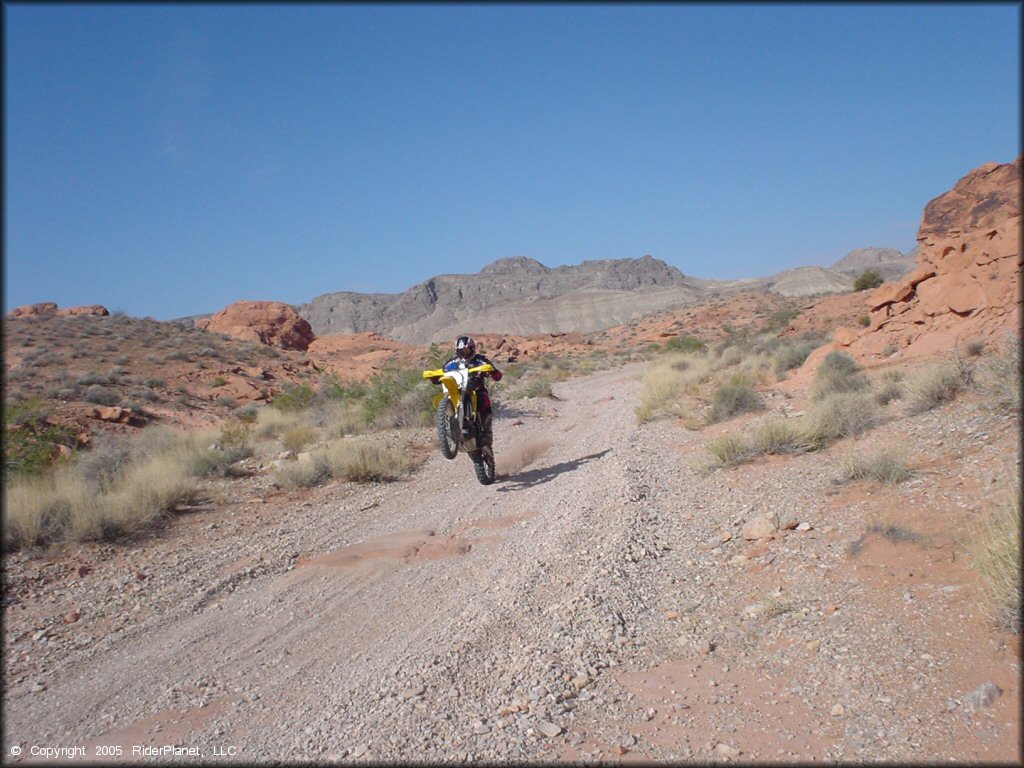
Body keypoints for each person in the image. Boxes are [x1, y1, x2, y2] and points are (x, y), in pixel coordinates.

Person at [438, 335, 502, 447]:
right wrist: (435, 377)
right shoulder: (451, 363)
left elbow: (497, 375)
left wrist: (490, 371)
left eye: (466, 350)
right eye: (461, 351)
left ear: (472, 349)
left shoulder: (480, 360)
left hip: (476, 389)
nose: (464, 353)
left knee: (483, 399)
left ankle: (486, 430)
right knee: (447, 399)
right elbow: (443, 372)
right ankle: (448, 426)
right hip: (456, 391)